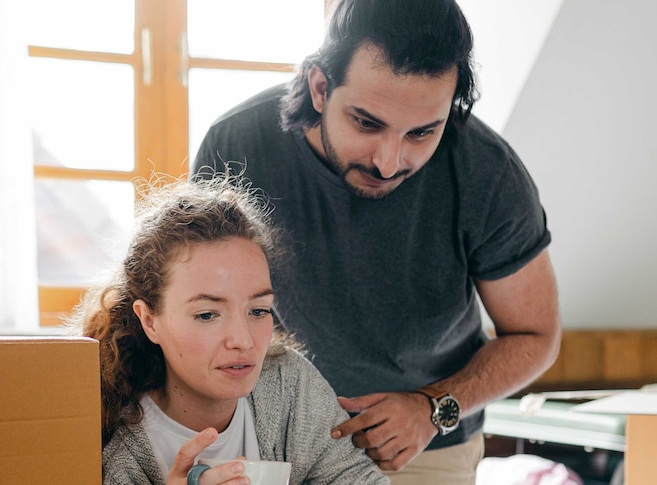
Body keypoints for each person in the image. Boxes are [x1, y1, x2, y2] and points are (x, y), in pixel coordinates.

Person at [191, 1, 562, 484]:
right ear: (319, 87)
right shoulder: (237, 145)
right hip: (267, 433)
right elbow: (199, 302)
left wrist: (434, 408)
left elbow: (536, 337)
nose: (389, 162)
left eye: (422, 133)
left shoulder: (488, 172)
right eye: (367, 123)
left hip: (423, 446)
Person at [68, 176, 390, 484]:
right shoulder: (103, 433)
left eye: (259, 310)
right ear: (149, 320)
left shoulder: (290, 386)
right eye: (207, 314)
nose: (243, 340)